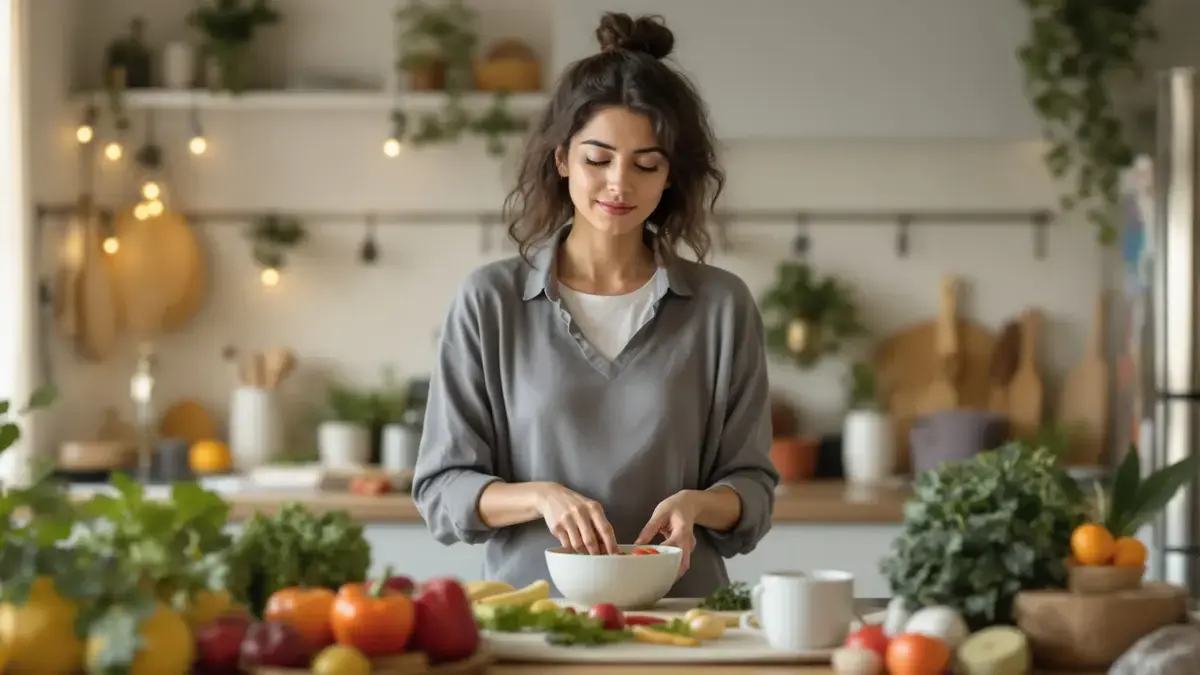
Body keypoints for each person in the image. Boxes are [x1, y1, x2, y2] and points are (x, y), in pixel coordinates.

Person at [412, 11, 779, 599]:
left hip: (685, 620)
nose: (619, 184)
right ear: (562, 159)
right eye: (598, 158)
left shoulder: (721, 307)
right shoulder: (489, 303)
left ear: (670, 176)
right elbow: (441, 487)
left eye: (646, 164)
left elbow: (752, 487)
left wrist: (700, 505)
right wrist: (540, 496)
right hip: (534, 621)